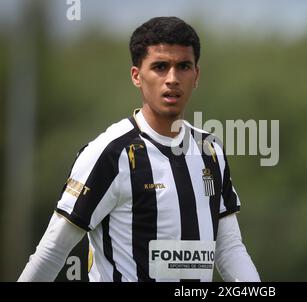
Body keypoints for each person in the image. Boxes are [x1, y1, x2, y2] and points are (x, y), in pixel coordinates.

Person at [18, 16, 260, 282]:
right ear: (137, 76)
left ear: (196, 75)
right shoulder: (109, 153)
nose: (172, 79)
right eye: (160, 67)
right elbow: (52, 252)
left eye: (183, 66)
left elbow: (228, 250)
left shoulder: (210, 151)